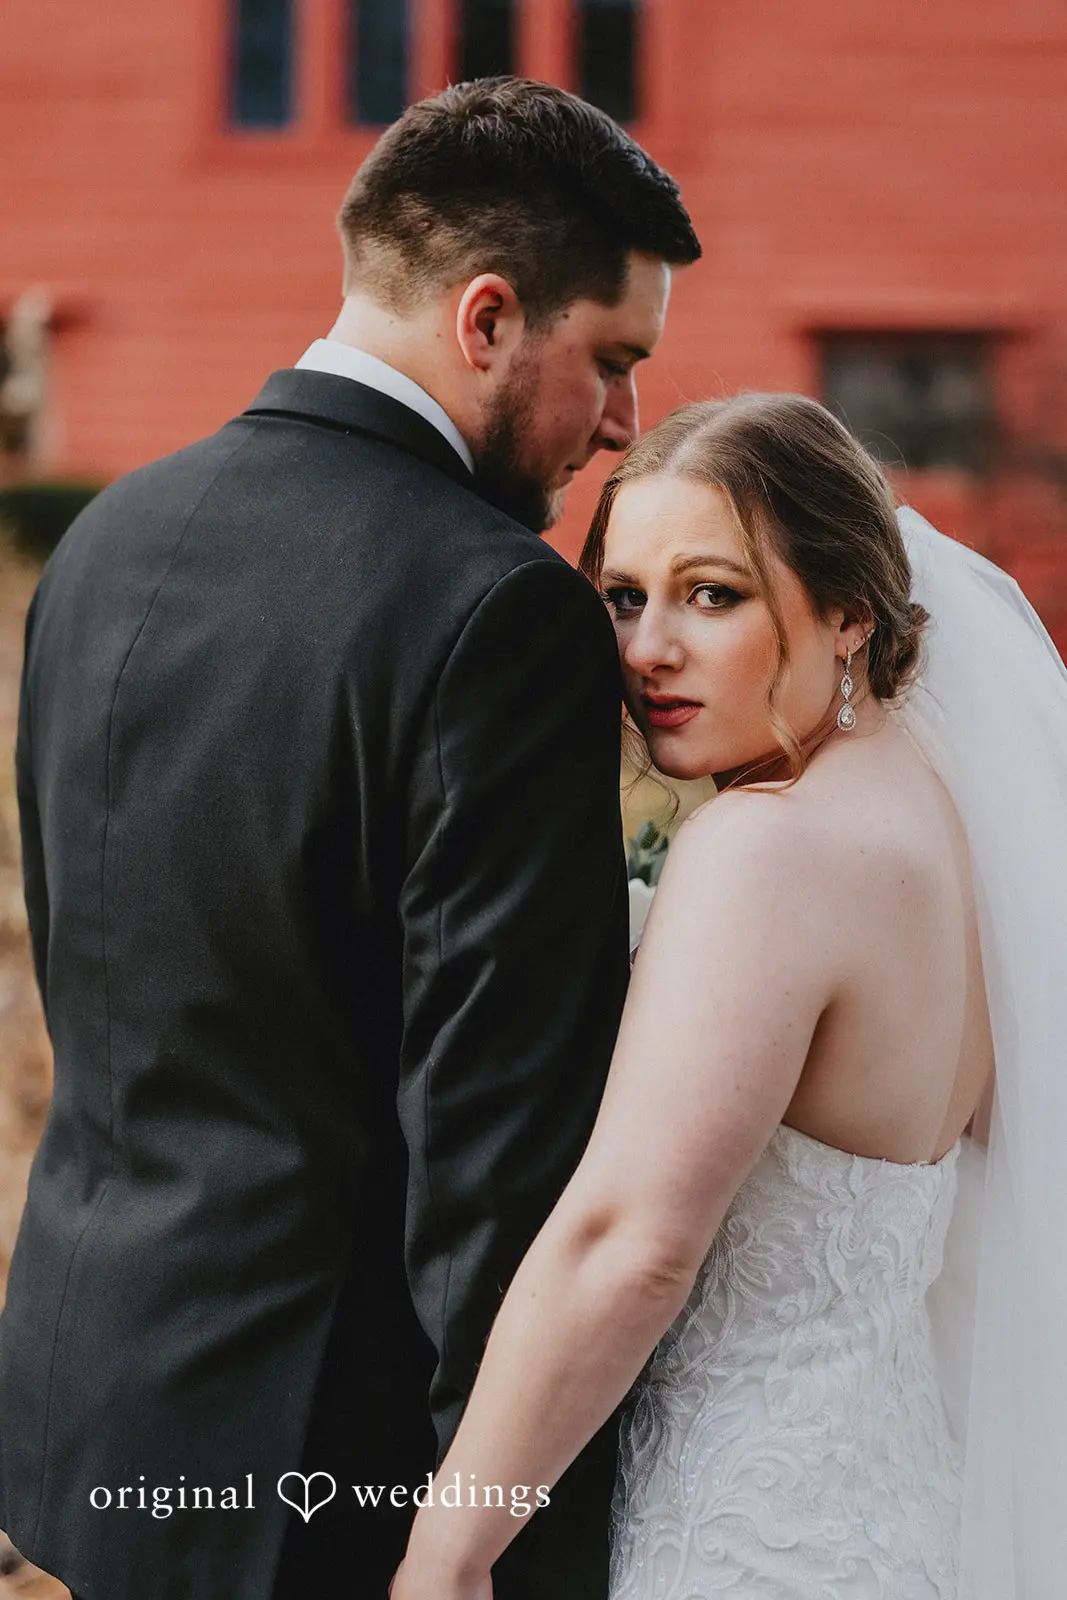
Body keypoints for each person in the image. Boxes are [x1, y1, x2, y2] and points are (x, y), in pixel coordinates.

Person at [0, 78, 701, 1600]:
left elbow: (91, 972)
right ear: (487, 319)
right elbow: (495, 1157)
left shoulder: (109, 535)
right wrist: (507, 1545)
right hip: (328, 1474)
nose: (627, 422)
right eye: (614, 360)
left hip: (88, 1407)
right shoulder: (494, 611)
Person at [390, 392, 1067, 1598]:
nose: (648, 647)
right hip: (905, 1505)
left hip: (744, 1535)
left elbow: (631, 1241)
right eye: (623, 596)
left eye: (712, 594)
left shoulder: (767, 850)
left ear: (848, 610)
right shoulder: (945, 822)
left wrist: (451, 1545)